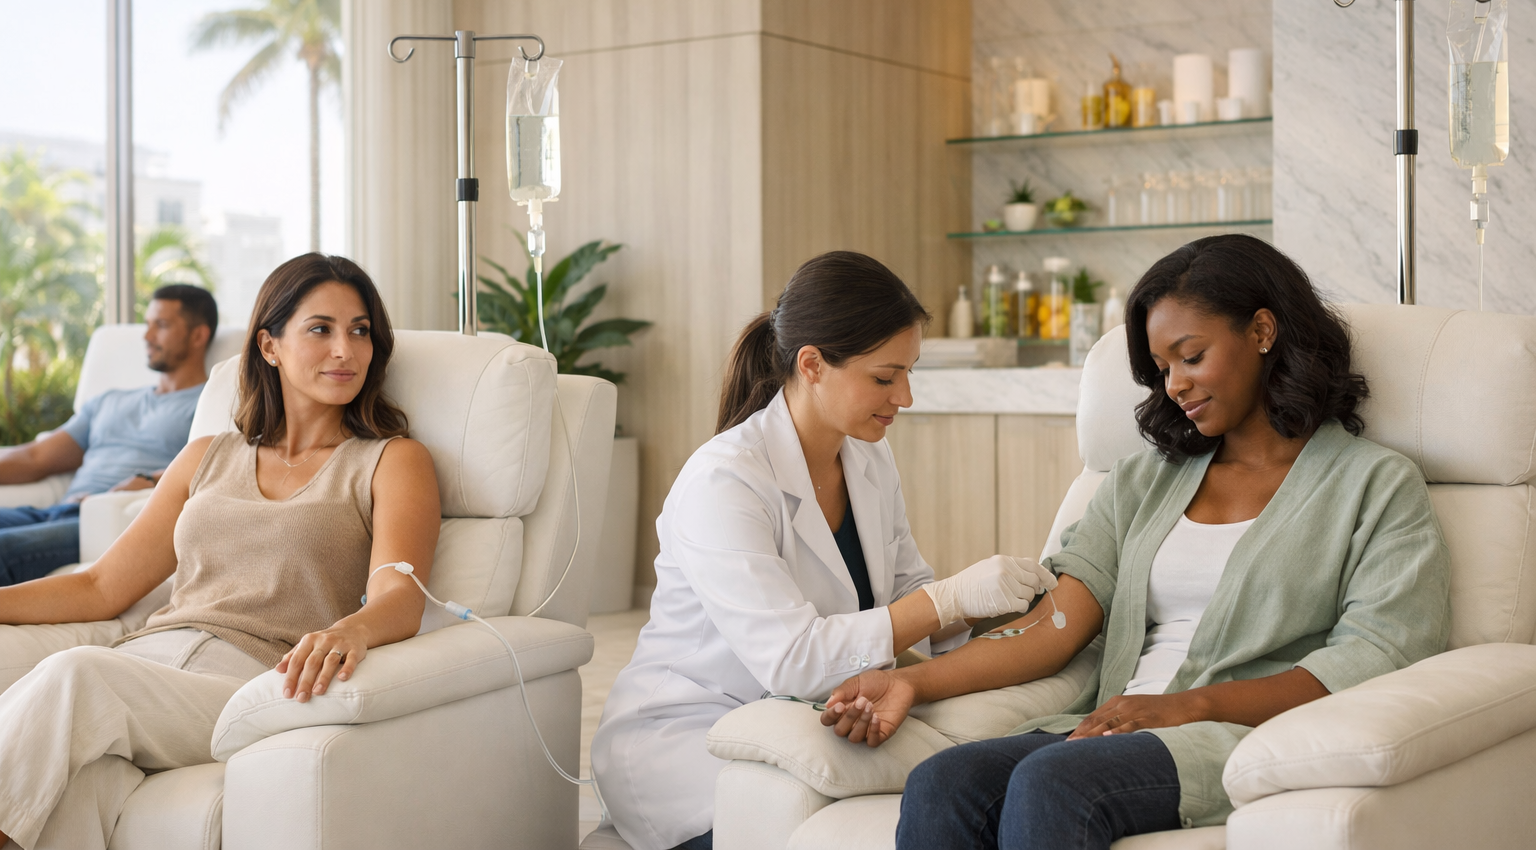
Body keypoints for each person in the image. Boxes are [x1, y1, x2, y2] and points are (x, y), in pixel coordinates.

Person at [818, 235, 1452, 850]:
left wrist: (1186, 706)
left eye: (1191, 356)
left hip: (1242, 736)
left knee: (1052, 785)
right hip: (1110, 727)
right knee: (944, 782)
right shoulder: (1145, 481)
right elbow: (1054, 626)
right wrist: (914, 683)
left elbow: (1374, 657)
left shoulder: (1374, 484)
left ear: (1262, 331)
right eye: (1163, 367)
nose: (1174, 384)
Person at [593, 251, 1057, 850]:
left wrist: (1006, 616)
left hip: (810, 721)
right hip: (692, 743)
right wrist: (947, 600)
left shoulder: (866, 454)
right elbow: (792, 658)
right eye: (885, 377)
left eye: (910, 373)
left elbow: (910, 593)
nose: (906, 398)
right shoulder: (725, 481)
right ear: (811, 365)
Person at [0, 254, 441, 850]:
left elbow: (400, 594)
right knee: (85, 784)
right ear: (269, 346)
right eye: (321, 329)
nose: (346, 350)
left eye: (360, 331)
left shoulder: (390, 460)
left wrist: (354, 630)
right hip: (144, 659)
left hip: (251, 684)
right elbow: (102, 587)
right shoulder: (206, 455)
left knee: (76, 674)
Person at [0, 285, 218, 584]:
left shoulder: (212, 404)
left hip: (107, 524)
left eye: (161, 325)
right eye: (147, 324)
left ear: (198, 336)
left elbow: (216, 466)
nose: (147, 336)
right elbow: (36, 457)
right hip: (57, 511)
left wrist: (149, 480)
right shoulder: (109, 400)